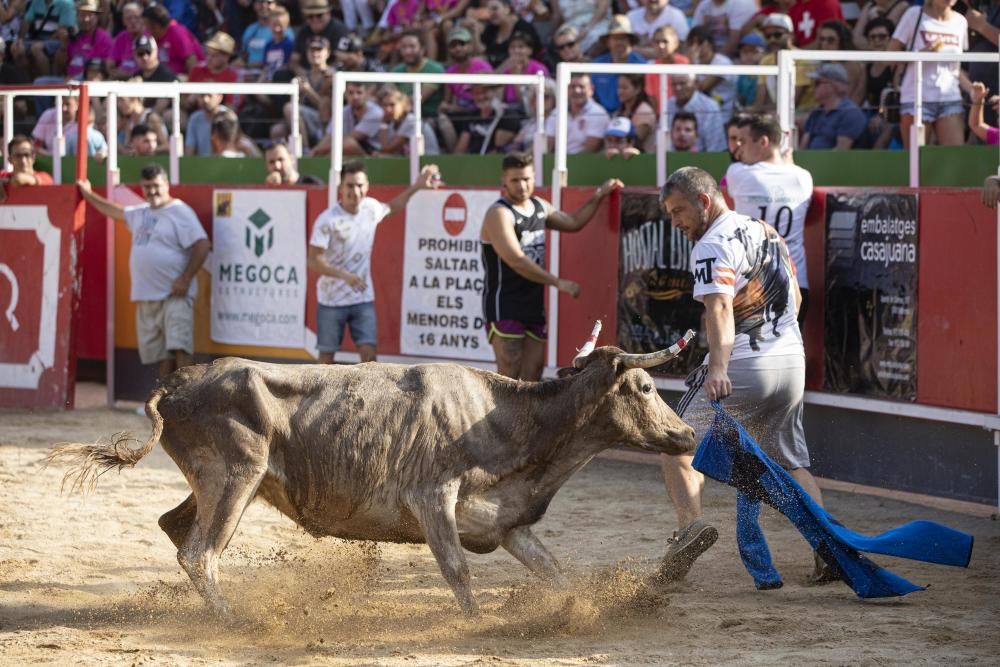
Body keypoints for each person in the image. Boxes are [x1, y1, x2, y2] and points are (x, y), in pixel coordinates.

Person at [658, 166, 830, 584]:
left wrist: (718, 367)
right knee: (790, 463)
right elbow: (797, 294)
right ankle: (829, 550)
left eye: (679, 211)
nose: (676, 223)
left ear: (704, 201)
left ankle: (690, 528)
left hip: (744, 365)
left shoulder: (712, 243)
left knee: (673, 440)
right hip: (790, 362)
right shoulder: (765, 231)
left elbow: (717, 308)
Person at [480, 152, 623, 380]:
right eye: (515, 180)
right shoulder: (499, 213)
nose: (522, 185)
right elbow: (516, 260)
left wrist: (599, 194)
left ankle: (526, 417)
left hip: (533, 303)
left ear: (534, 177)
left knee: (533, 373)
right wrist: (557, 282)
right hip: (504, 302)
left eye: (526, 179)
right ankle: (498, 417)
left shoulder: (539, 206)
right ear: (504, 182)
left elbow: (574, 222)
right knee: (509, 369)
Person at [77, 164, 210, 381]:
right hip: (148, 295)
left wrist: (185, 279)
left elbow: (202, 245)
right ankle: (164, 402)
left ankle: (186, 400)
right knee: (163, 355)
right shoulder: (141, 212)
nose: (152, 191)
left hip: (175, 294)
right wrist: (88, 194)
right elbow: (114, 211)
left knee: (181, 348)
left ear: (166, 185)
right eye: (147, 187)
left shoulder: (179, 211)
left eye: (156, 186)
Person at [308, 162, 442, 364]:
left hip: (362, 298)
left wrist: (417, 186)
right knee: (326, 360)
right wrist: (345, 276)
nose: (355, 191)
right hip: (331, 301)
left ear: (367, 186)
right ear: (341, 188)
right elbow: (314, 261)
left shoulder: (370, 208)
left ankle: (369, 397)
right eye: (350, 185)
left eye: (360, 185)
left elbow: (393, 207)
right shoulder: (327, 220)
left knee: (370, 358)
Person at [725, 114, 813, 325]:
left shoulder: (738, 174)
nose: (739, 149)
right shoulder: (802, 178)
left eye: (744, 141)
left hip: (753, 285)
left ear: (763, 142)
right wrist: (786, 161)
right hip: (795, 283)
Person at [888, 0, 970, 149]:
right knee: (915, 161)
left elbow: (955, 68)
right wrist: (920, 55)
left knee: (955, 159)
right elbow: (890, 56)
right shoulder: (914, 14)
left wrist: (972, 89)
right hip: (916, 98)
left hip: (950, 98)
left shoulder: (960, 21)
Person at [799, 63, 867, 150]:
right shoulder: (816, 113)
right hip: (810, 161)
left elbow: (840, 151)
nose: (813, 88)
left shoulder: (850, 113)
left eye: (817, 83)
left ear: (834, 86)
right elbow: (803, 147)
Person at [590, 15, 648, 114]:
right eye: (615, 38)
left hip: (632, 114)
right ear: (608, 42)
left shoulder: (641, 65)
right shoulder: (596, 65)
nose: (619, 42)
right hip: (599, 115)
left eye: (623, 38)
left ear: (630, 41)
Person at [545, 72, 609, 154]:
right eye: (572, 87)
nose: (577, 90)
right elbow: (548, 144)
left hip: (586, 163)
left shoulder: (599, 114)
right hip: (558, 162)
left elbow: (589, 150)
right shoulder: (557, 113)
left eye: (581, 87)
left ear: (591, 90)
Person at [668, 74, 726, 152]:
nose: (677, 88)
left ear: (695, 83)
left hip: (702, 160)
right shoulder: (668, 105)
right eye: (674, 84)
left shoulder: (710, 107)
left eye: (683, 83)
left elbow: (715, 148)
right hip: (671, 159)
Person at [142, 2, 203, 76]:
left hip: (183, 80)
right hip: (163, 80)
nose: (145, 29)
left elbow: (191, 61)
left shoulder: (177, 33)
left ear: (156, 25)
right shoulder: (150, 36)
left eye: (146, 25)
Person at [0, 134, 53, 202]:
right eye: (18, 156)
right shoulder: (4, 176)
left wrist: (7, 182)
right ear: (10, 160)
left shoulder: (45, 177)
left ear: (33, 158)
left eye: (27, 155)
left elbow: (18, 179)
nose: (23, 160)